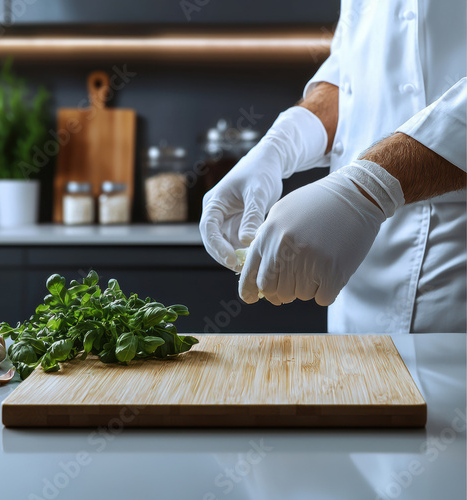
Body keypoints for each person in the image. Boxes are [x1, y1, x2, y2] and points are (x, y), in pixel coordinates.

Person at [199, 0, 467, 334]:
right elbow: (353, 70)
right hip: (354, 292)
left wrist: (369, 187)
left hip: (452, 290)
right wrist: (283, 142)